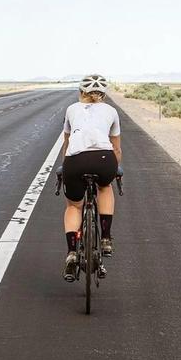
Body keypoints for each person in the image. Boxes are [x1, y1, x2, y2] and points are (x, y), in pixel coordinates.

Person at [59, 74, 122, 282]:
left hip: (75, 160)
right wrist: (116, 169)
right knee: (105, 188)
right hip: (104, 158)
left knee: (74, 206)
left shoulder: (71, 109)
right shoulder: (111, 111)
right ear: (103, 94)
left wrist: (64, 167)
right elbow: (117, 148)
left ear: (81, 92)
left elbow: (66, 144)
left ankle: (71, 253)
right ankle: (105, 239)